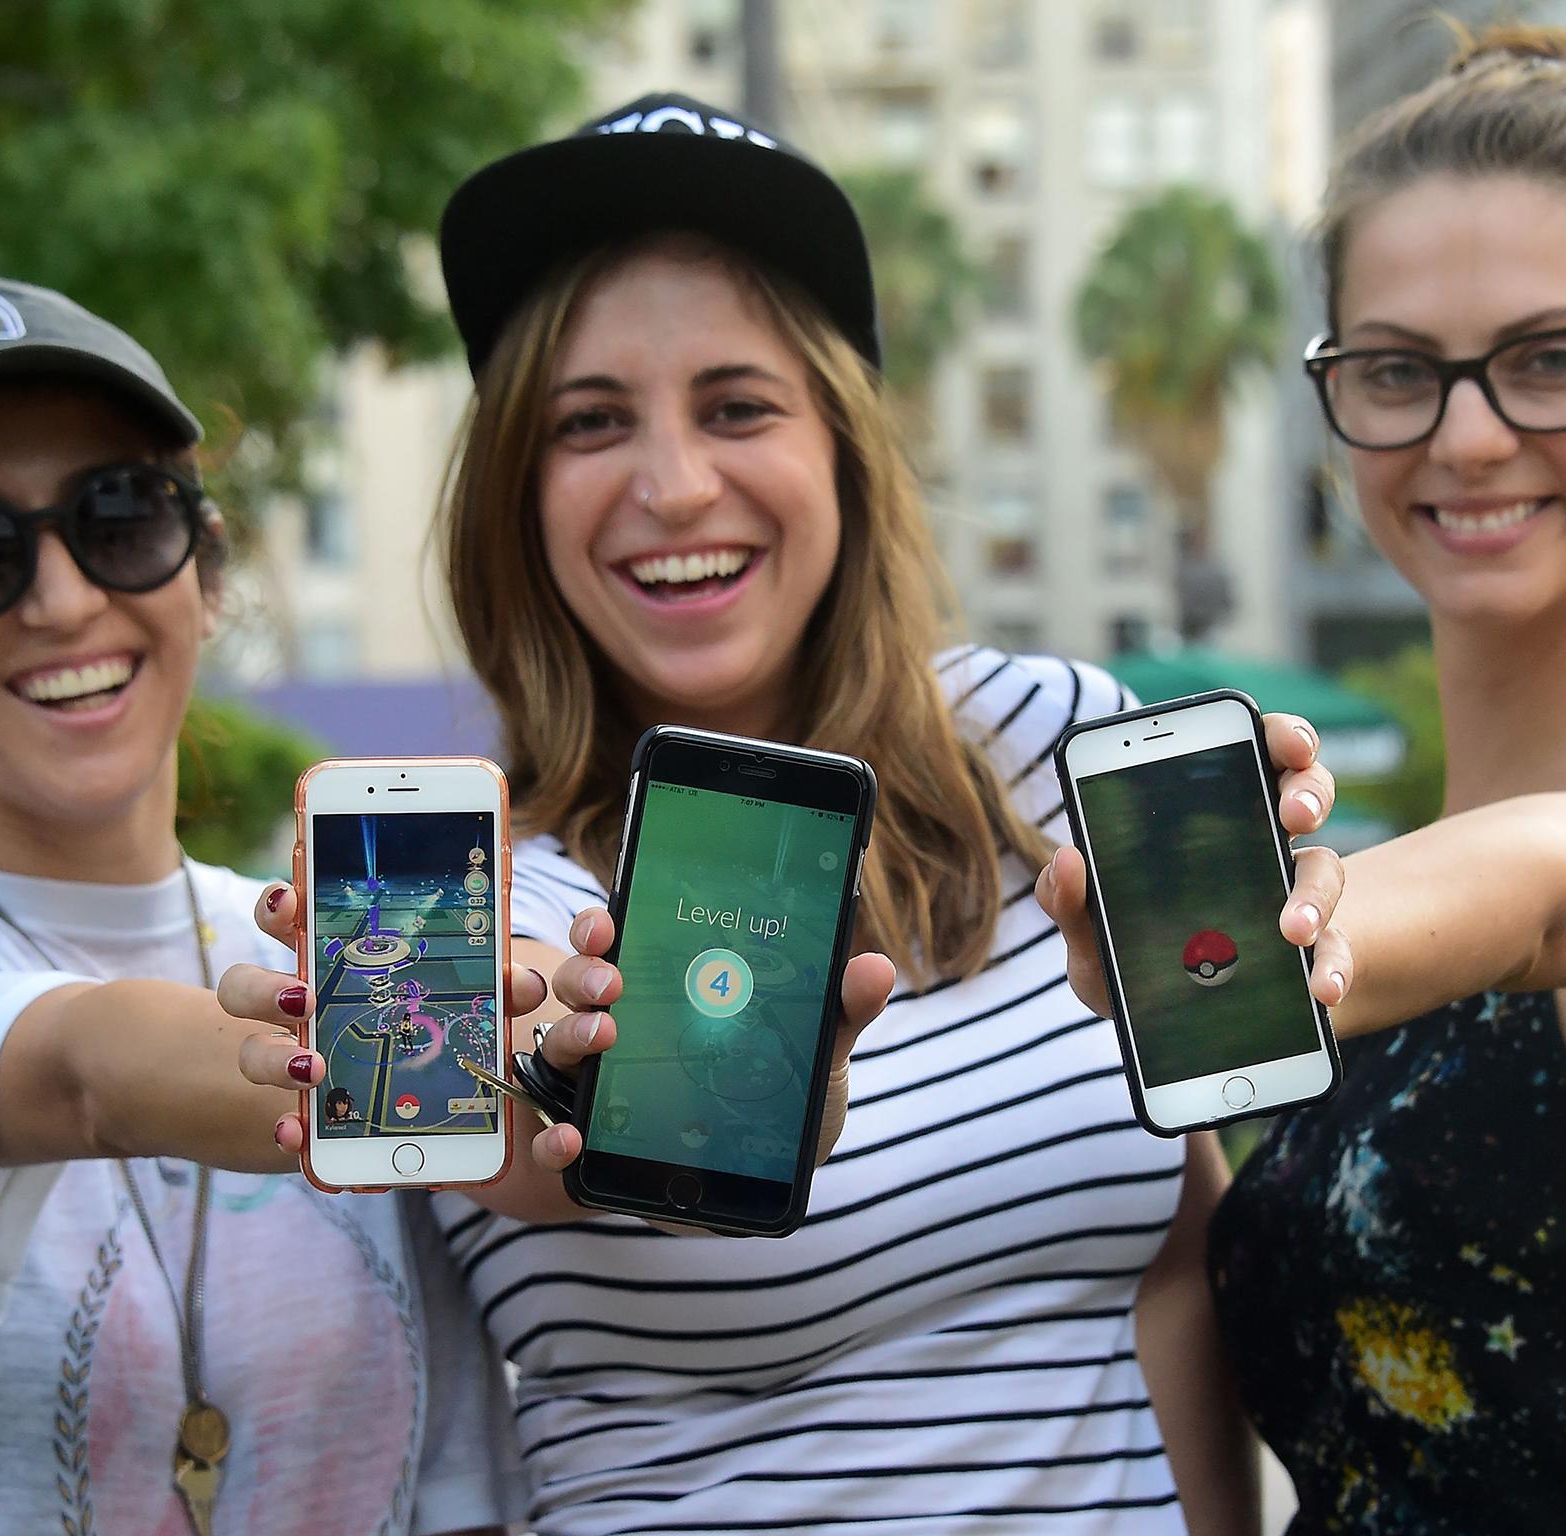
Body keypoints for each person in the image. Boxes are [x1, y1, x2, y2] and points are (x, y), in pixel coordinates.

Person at [228, 94, 1342, 1535]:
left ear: (842, 444)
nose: (675, 485)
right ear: (515, 489)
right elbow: (520, 1150)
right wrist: (585, 1086)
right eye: (589, 422)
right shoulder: (452, 899)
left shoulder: (1056, 745)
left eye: (739, 405)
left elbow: (1174, 1266)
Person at [1034, 27, 1566, 1533]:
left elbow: (1557, 889)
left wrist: (1294, 936)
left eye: (1549, 359)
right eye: (1397, 370)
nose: (1467, 437)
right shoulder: (1398, 883)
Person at [0, 274, 527, 1535]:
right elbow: (84, 1069)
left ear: (203, 566)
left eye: (119, 518)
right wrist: (460, 1045)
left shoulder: (334, 936)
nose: (63, 599)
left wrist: (654, 1053)